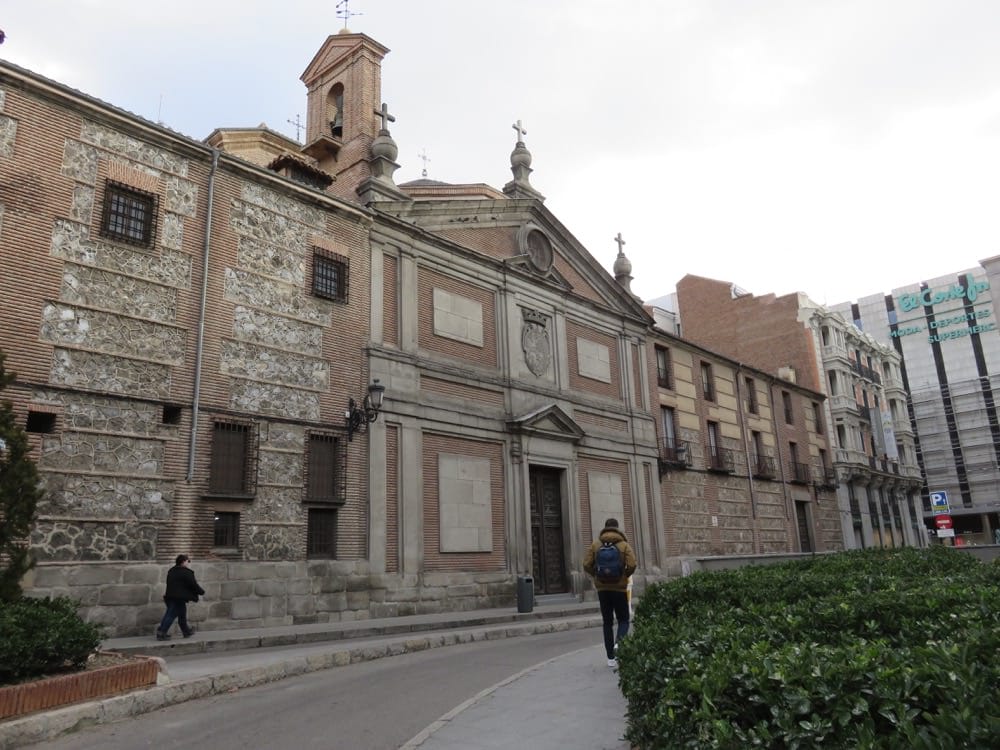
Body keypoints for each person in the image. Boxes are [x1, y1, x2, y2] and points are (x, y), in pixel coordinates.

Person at [583, 517, 637, 668]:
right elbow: (632, 564)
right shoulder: (624, 545)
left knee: (607, 622)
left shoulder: (596, 544)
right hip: (619, 588)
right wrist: (624, 575)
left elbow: (586, 564)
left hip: (603, 589)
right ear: (617, 528)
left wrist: (596, 575)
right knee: (624, 619)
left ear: (605, 528)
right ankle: (619, 643)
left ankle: (610, 658)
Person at [156, 554, 205, 640]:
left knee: (181, 614)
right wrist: (201, 592)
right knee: (171, 615)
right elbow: (194, 585)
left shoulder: (171, 571)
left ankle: (186, 631)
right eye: (188, 561)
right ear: (183, 562)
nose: (189, 563)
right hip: (178, 598)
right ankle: (162, 633)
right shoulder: (186, 573)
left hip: (170, 596)